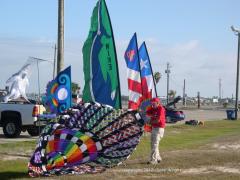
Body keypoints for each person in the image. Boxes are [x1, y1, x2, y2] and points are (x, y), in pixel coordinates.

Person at [146, 97, 166, 164]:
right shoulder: (153, 108)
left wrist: (149, 122)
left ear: (158, 103)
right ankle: (158, 158)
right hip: (154, 128)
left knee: (154, 144)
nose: (152, 105)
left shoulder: (160, 109)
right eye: (152, 103)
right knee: (153, 144)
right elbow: (147, 113)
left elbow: (158, 120)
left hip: (159, 129)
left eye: (154, 103)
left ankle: (153, 160)